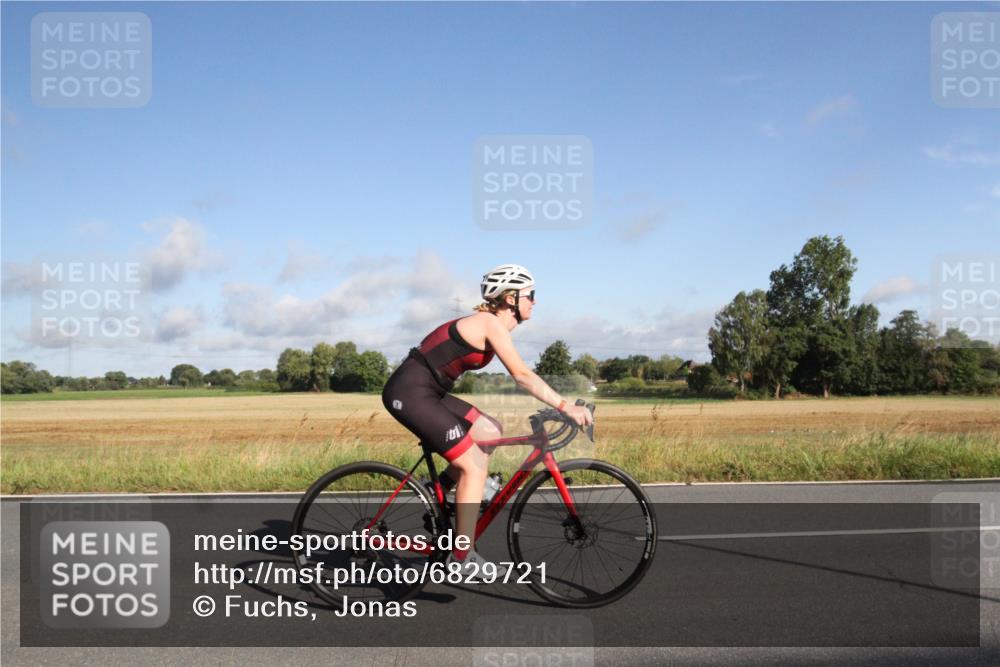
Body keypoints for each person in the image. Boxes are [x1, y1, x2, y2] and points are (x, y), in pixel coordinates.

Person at [381, 263, 593, 577]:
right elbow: (522, 376)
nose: (535, 301)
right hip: (410, 393)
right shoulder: (489, 323)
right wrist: (564, 406)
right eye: (530, 295)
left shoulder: (491, 325)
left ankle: (438, 488)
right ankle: (461, 557)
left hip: (430, 392)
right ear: (511, 299)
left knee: (489, 430)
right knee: (474, 465)